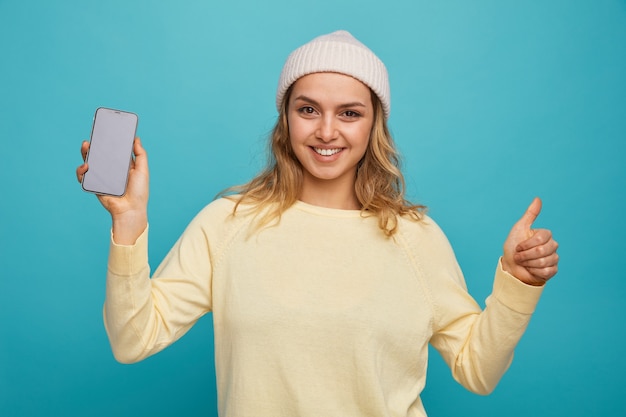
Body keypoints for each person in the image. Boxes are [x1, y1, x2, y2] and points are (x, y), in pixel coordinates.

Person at [76, 30, 559, 417]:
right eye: (308, 109)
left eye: (349, 113)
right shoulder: (227, 223)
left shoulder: (415, 238)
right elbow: (132, 339)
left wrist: (517, 282)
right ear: (285, 118)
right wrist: (129, 222)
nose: (326, 131)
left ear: (375, 126)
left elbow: (478, 370)